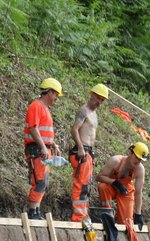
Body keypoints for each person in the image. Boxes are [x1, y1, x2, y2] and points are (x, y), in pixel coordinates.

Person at [23, 78, 63, 220]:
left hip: (43, 150)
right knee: (39, 181)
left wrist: (52, 144)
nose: (56, 98)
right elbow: (33, 129)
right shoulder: (36, 106)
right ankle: (32, 211)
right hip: (37, 150)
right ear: (49, 92)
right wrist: (42, 147)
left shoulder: (44, 108)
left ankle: (36, 210)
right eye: (56, 94)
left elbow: (43, 131)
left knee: (43, 182)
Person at [69, 84, 109, 222]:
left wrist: (93, 154)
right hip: (81, 152)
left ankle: (83, 214)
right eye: (98, 98)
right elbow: (74, 130)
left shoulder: (94, 114)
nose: (99, 102)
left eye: (102, 100)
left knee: (86, 185)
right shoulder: (83, 111)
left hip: (88, 153)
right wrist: (80, 148)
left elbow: (92, 135)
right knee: (80, 184)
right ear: (92, 95)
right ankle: (78, 216)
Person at [96, 142, 147, 229]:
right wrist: (115, 182)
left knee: (127, 224)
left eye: (140, 159)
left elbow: (138, 193)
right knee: (103, 187)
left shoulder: (140, 169)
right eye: (136, 157)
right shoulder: (116, 161)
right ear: (130, 153)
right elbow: (99, 177)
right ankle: (108, 215)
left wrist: (138, 214)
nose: (138, 161)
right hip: (111, 186)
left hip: (126, 190)